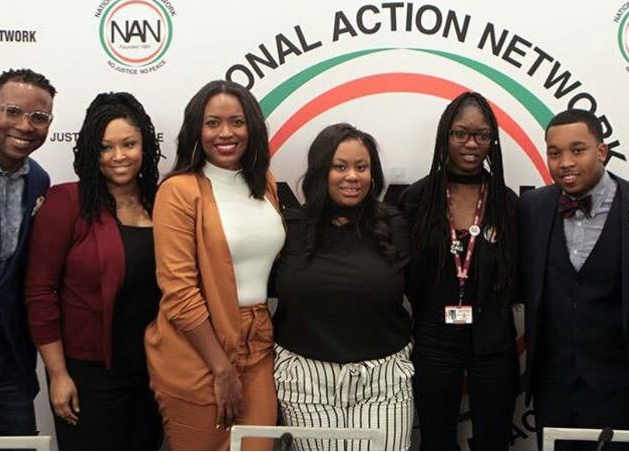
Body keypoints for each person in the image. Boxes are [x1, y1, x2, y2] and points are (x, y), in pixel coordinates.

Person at [520, 108, 629, 449]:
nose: (565, 162)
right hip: (556, 392)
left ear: (602, 151)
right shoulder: (532, 207)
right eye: (554, 153)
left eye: (577, 150)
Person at [145, 80, 285, 451]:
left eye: (237, 122)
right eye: (213, 123)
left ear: (251, 128)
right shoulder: (178, 190)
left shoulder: (265, 183)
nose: (225, 133)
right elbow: (178, 291)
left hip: (258, 341)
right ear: (197, 129)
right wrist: (221, 368)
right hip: (197, 348)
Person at [25, 92, 163, 450]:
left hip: (155, 372)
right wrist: (58, 374)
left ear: (145, 146)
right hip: (89, 375)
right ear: (90, 150)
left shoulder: (162, 203)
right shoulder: (66, 202)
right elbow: (40, 292)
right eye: (105, 147)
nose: (118, 156)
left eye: (128, 144)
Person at [272, 123, 413, 451]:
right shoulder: (288, 227)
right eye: (340, 167)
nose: (352, 176)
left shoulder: (395, 225)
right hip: (306, 382)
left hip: (384, 381)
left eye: (361, 167)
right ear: (321, 171)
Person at [398, 91, 519, 450]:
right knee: (436, 440)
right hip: (434, 340)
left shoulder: (507, 202)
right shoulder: (417, 199)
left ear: (492, 141)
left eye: (482, 135)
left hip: (494, 342)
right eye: (461, 133)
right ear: (445, 136)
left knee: (494, 441)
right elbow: (405, 276)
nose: (471, 144)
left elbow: (519, 278)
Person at [0, 68, 55, 436]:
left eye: (38, 117)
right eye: (13, 111)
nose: (25, 125)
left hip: (11, 352)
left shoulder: (39, 180)